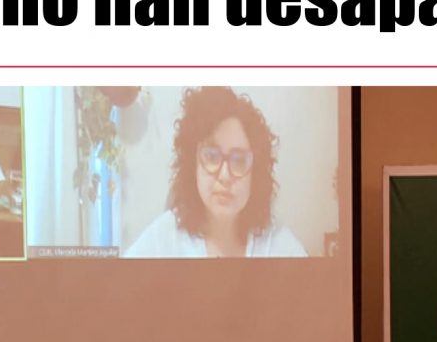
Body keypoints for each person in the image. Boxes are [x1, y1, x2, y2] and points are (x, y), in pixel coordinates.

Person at [124, 87, 306, 258]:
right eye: (211, 157)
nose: (225, 176)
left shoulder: (278, 244)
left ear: (255, 173)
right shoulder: (162, 240)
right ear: (192, 164)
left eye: (239, 161)